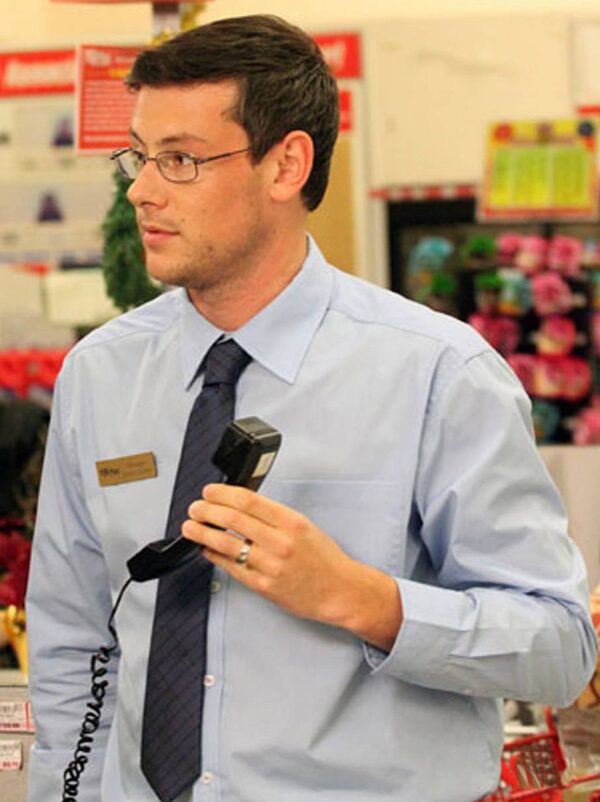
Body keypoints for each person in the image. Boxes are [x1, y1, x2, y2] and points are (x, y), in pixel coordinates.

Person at [26, 14, 597, 802]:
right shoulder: (100, 374)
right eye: (139, 155)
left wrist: (361, 598)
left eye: (181, 160)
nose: (141, 190)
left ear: (287, 164)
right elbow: (72, 636)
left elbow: (561, 649)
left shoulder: (438, 373)